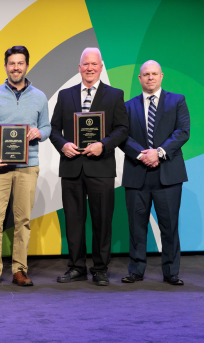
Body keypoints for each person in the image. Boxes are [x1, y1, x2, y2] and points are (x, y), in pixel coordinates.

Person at [50, 47, 129, 286]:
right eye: (85, 64)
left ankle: (100, 269)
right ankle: (76, 267)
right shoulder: (65, 95)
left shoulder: (114, 95)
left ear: (101, 67)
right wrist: (63, 145)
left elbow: (123, 129)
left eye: (94, 64)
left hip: (101, 167)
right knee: (73, 221)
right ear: (79, 68)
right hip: (72, 167)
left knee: (102, 221)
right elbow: (53, 129)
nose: (90, 68)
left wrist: (103, 145)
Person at [0, 46, 51, 287]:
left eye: (20, 63)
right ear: (6, 66)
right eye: (11, 63)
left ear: (26, 65)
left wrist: (41, 132)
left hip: (28, 166)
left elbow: (47, 127)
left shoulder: (39, 96)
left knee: (23, 221)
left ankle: (20, 270)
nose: (16, 67)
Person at [120, 60, 190, 286]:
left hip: (168, 174)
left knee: (169, 226)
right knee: (136, 226)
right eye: (145, 74)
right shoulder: (127, 106)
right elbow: (122, 136)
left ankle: (171, 272)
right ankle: (136, 270)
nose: (150, 78)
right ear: (139, 79)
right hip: (137, 173)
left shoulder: (177, 101)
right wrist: (142, 155)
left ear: (161, 76)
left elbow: (182, 132)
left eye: (154, 74)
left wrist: (158, 153)